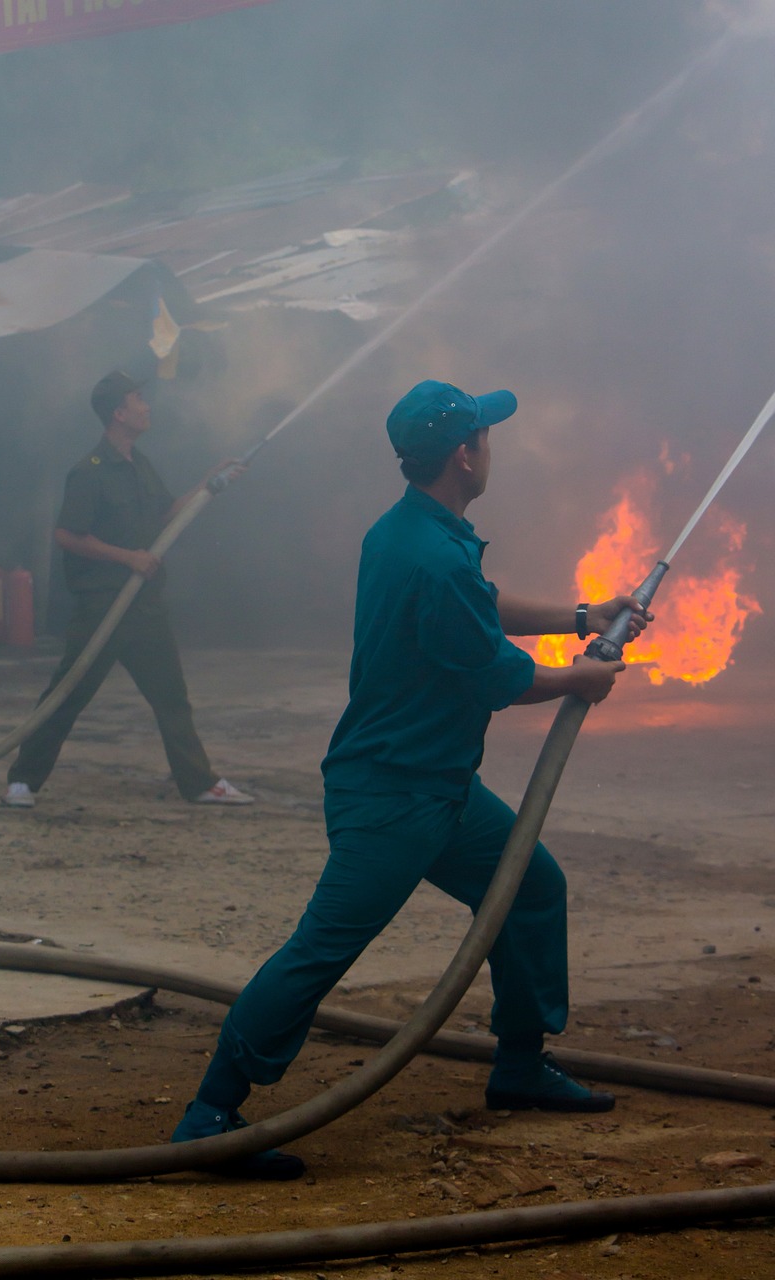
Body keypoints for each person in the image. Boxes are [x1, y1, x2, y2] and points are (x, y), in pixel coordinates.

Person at [170, 378, 651, 1179]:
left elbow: (481, 606)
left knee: (531, 887)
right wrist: (578, 680)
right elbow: (494, 675)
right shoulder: (432, 557)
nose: (491, 447)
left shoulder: (414, 533)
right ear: (464, 455)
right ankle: (210, 1113)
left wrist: (580, 619)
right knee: (321, 951)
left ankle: (520, 1066)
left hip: (437, 786)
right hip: (393, 797)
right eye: (486, 438)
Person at [1, 371, 253, 810]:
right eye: (138, 399)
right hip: (102, 606)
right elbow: (67, 534)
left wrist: (208, 484)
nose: (146, 406)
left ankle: (199, 783)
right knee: (66, 696)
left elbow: (168, 516)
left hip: (143, 606)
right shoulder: (90, 471)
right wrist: (127, 557)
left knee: (172, 699)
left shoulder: (142, 465)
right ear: (119, 413)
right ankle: (22, 781)